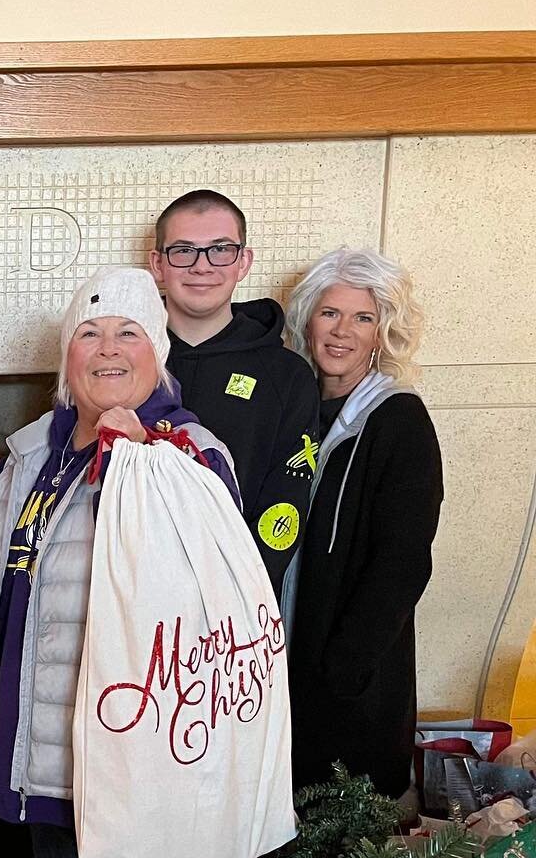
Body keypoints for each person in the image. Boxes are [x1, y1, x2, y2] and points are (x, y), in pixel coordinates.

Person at [0, 268, 239, 858]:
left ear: (158, 354)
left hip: (141, 756)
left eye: (128, 333)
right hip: (47, 751)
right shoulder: (29, 456)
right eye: (89, 334)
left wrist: (145, 461)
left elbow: (212, 597)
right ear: (67, 358)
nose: (108, 349)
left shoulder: (187, 454)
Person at [282, 247, 442, 798]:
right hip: (285, 664)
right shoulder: (293, 412)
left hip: (350, 680)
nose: (342, 331)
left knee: (343, 857)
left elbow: (402, 562)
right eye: (330, 313)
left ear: (383, 333)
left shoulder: (398, 419)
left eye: (363, 317)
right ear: (307, 319)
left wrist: (343, 670)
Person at [151, 189, 319, 592]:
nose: (201, 266)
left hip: (236, 606)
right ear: (157, 265)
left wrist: (238, 593)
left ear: (243, 262)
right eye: (183, 251)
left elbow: (285, 504)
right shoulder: (118, 362)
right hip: (133, 602)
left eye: (220, 249)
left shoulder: (286, 375)